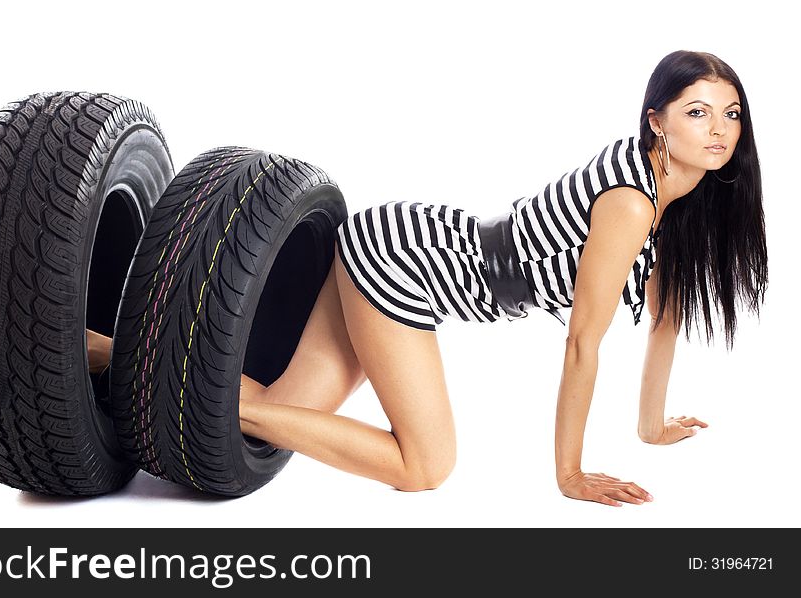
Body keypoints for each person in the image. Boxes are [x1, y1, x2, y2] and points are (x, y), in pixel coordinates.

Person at [92, 50, 768, 506]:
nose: (719, 129)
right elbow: (583, 343)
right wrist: (569, 475)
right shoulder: (629, 202)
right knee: (424, 466)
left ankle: (99, 353)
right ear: (657, 121)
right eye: (697, 111)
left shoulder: (671, 206)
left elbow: (666, 317)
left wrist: (650, 428)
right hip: (408, 265)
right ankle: (189, 392)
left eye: (730, 113)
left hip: (402, 244)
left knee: (277, 413)